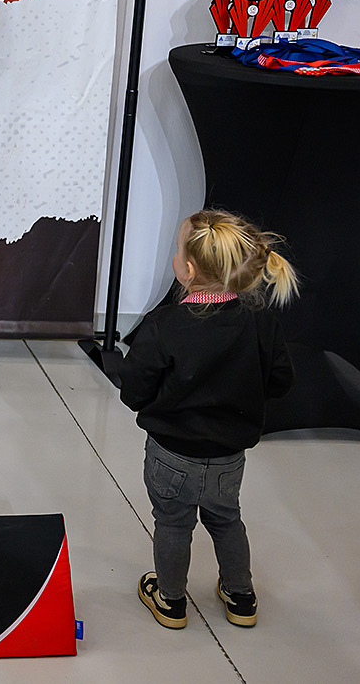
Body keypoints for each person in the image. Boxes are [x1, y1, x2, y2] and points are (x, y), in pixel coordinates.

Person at [118, 209, 298, 631]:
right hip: (229, 456)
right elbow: (281, 380)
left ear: (189, 270)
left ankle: (170, 601)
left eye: (177, 250)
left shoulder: (163, 326)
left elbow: (134, 390)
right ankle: (241, 597)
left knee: (172, 523)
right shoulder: (260, 320)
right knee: (226, 518)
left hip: (172, 454)